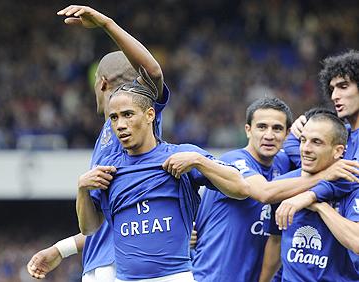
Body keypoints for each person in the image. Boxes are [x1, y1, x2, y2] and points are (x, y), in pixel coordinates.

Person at [27, 5, 169, 281]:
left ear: (101, 83)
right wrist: (61, 249)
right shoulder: (108, 133)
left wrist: (107, 24)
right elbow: (104, 222)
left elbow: (152, 72)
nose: (123, 122)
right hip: (100, 262)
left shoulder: (137, 118)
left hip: (124, 264)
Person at [77, 82, 250, 282]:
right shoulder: (108, 168)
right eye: (114, 117)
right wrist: (82, 189)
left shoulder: (181, 155)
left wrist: (198, 161)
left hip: (174, 276)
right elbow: (89, 228)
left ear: (150, 115)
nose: (120, 125)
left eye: (128, 114)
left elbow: (241, 188)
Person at [191, 98, 356, 282]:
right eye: (261, 127)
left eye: (277, 128)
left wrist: (314, 122)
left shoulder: (285, 164)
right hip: (214, 276)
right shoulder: (233, 162)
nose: (269, 135)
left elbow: (334, 152)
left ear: (286, 134)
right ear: (248, 130)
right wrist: (326, 174)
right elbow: (265, 193)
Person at [269, 113, 359, 281]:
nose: (306, 149)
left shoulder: (351, 186)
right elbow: (274, 242)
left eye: (316, 142)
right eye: (303, 140)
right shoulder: (284, 185)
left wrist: (319, 205)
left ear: (338, 151)